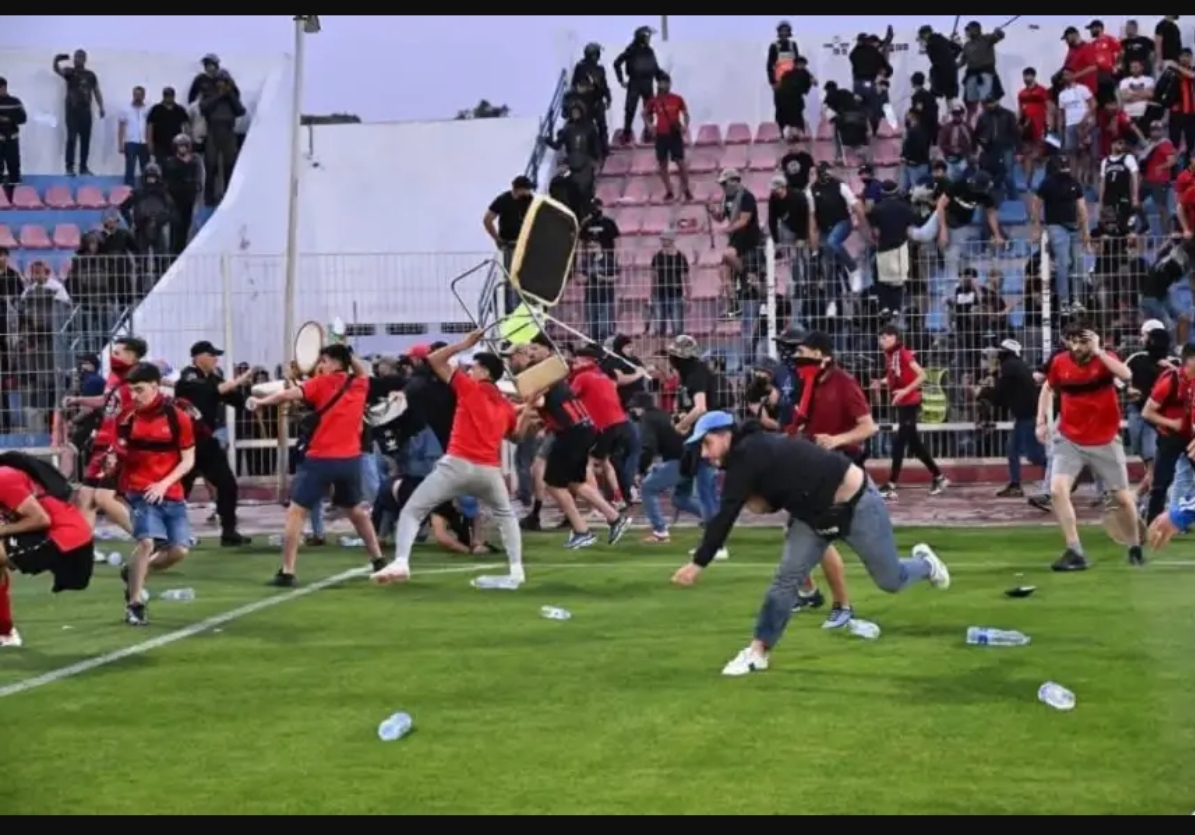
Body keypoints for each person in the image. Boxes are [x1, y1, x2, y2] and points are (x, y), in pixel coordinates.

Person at [670, 412, 950, 677]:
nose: (705, 454)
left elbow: (725, 515)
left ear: (725, 435)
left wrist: (698, 563)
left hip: (856, 505)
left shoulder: (748, 453)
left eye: (707, 444)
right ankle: (758, 652)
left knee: (891, 580)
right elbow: (774, 497)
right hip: (811, 517)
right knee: (786, 579)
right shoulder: (747, 455)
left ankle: (926, 564)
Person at [371, 332, 524, 589]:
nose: (469, 370)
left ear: (485, 371)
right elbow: (516, 437)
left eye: (474, 367)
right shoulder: (506, 406)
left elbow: (433, 359)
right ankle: (516, 571)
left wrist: (464, 343)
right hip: (489, 470)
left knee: (413, 511)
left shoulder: (470, 388)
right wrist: (528, 412)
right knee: (506, 516)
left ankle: (401, 562)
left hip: (457, 464)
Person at [249, 344, 385, 587]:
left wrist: (261, 402)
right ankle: (378, 559)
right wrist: (347, 355)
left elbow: (285, 396)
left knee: (296, 512)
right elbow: (361, 371)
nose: (321, 365)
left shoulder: (321, 383)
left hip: (321, 459)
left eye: (324, 360)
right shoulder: (360, 384)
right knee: (356, 511)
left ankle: (287, 571)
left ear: (334, 362)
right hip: (350, 460)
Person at [782, 332, 874, 628]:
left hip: (838, 466)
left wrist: (836, 440)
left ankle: (842, 605)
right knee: (796, 532)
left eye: (803, 352)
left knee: (816, 535)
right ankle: (809, 592)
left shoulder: (844, 383)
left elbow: (868, 427)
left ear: (822, 355)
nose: (797, 358)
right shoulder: (808, 383)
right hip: (812, 464)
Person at [1036, 323, 1139, 571]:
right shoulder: (1060, 362)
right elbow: (1048, 388)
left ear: (1093, 340)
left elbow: (1126, 374)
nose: (1078, 347)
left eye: (1083, 341)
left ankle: (1135, 545)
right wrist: (1041, 421)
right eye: (1073, 341)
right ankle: (1075, 550)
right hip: (1070, 439)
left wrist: (1099, 351)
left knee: (1122, 498)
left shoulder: (1105, 359)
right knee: (1057, 490)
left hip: (1105, 440)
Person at [510, 337, 630, 549]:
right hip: (583, 429)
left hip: (571, 432)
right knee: (575, 482)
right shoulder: (552, 377)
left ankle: (582, 531)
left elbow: (538, 402)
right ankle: (614, 518)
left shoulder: (540, 381)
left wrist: (518, 406)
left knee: (554, 484)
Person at [114, 362, 196, 626]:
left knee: (179, 551)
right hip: (140, 491)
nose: (134, 396)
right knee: (147, 542)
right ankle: (135, 604)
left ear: (155, 385)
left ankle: (133, 571)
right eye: (131, 391)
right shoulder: (127, 418)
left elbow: (188, 460)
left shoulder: (177, 417)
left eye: (139, 390)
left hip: (171, 492)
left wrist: (164, 484)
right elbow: (119, 454)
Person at [0, 453, 96, 648]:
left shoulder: (3, 478)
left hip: (65, 536)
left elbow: (41, 519)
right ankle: (5, 631)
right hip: (62, 533)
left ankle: (6, 631)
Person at [173, 340, 254, 546]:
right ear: (198, 357)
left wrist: (253, 402)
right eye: (211, 355)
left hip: (206, 442)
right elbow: (211, 391)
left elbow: (233, 397)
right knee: (179, 491)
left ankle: (229, 532)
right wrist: (238, 380)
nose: (215, 359)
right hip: (186, 444)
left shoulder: (212, 378)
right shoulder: (189, 377)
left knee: (228, 485)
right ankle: (172, 535)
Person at [63, 337, 145, 538]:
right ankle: (84, 547)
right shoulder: (114, 376)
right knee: (85, 497)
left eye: (117, 353)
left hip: (119, 445)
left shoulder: (139, 379)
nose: (112, 357)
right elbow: (106, 400)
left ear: (132, 356)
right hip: (103, 441)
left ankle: (147, 537)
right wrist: (79, 399)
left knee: (104, 498)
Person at [875, 325, 947, 499]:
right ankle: (939, 477)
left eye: (884, 337)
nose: (881, 341)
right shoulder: (891, 355)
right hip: (904, 402)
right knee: (914, 444)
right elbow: (895, 376)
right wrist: (882, 382)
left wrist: (904, 391)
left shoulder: (903, 353)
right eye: (880, 338)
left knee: (899, 443)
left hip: (909, 402)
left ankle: (891, 484)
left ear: (894, 337)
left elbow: (922, 375)